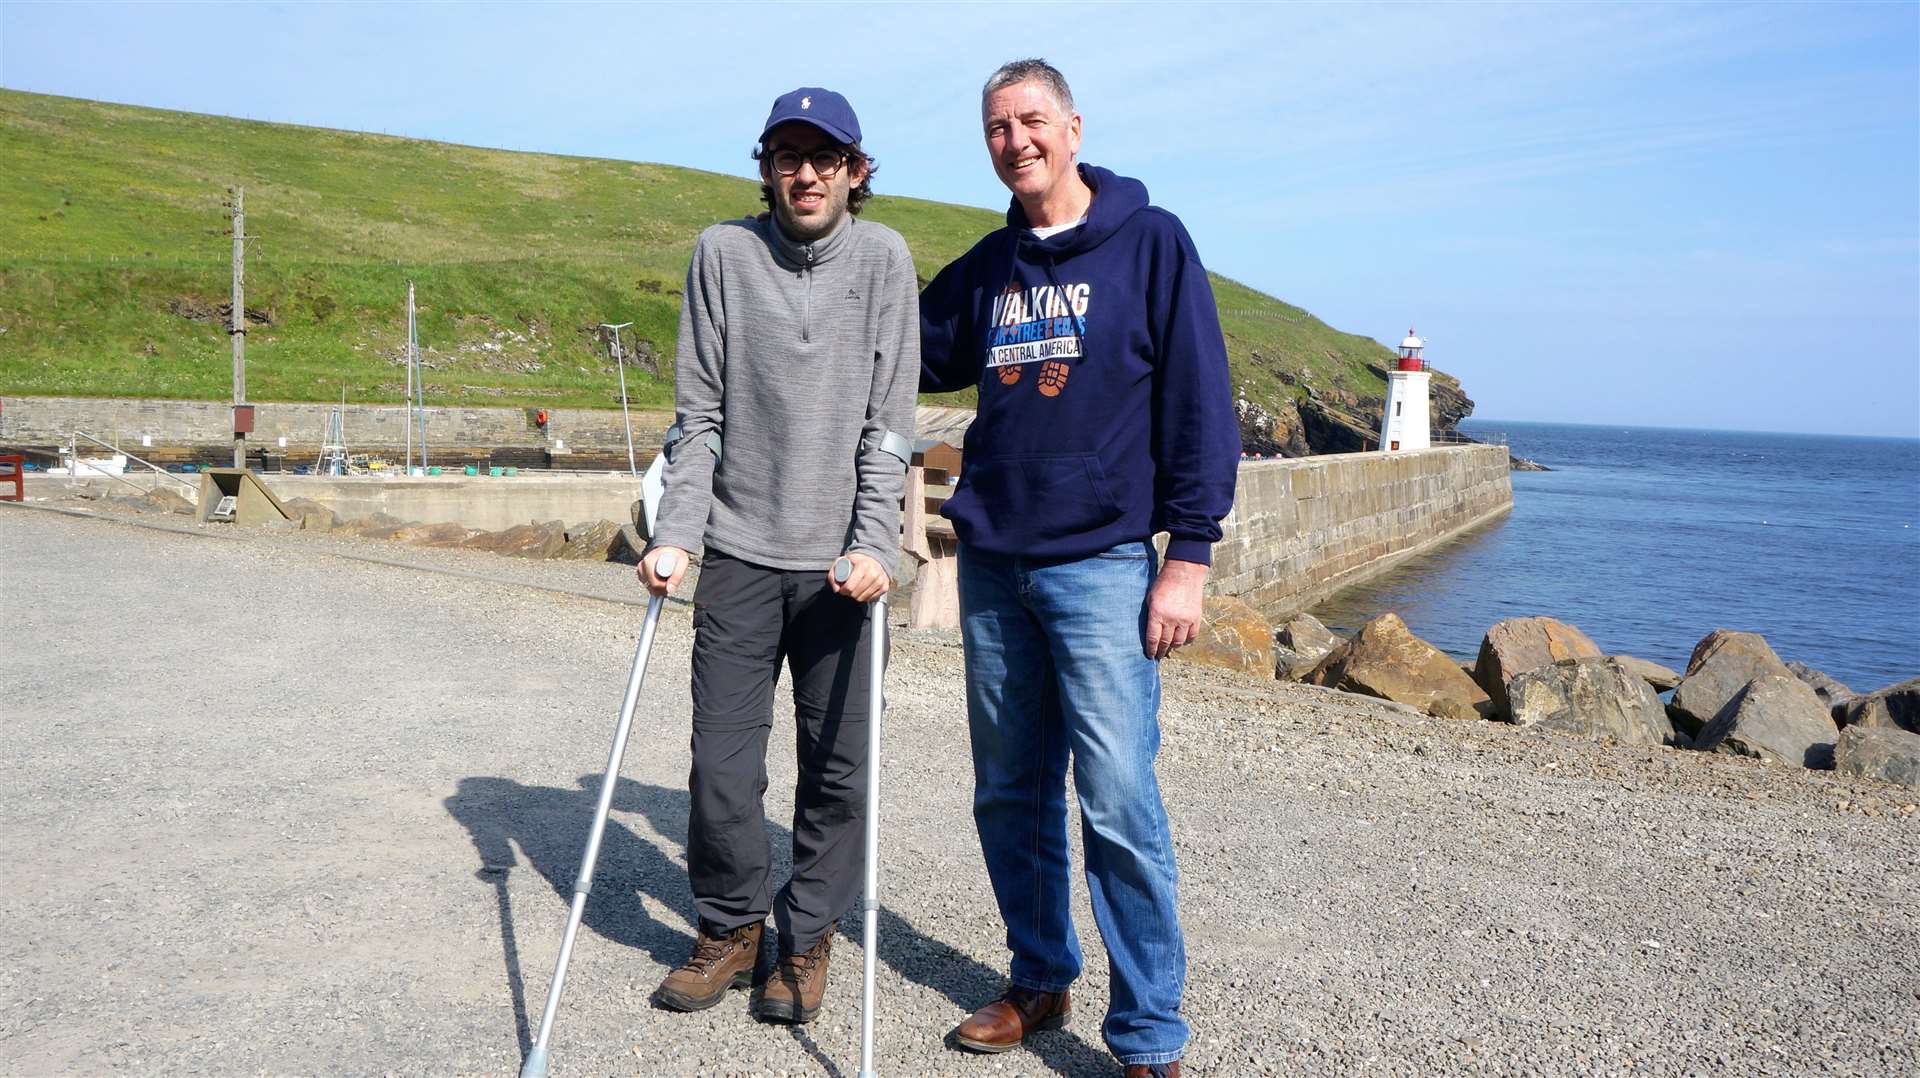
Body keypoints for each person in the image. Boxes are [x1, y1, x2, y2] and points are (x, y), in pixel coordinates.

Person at [918, 59, 1240, 1078]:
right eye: (997, 128)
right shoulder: (990, 264)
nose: (1015, 141)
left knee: (1115, 797)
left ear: (1072, 126)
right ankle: (1040, 975)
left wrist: (1186, 559)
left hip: (1103, 562)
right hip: (995, 562)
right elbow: (910, 346)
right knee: (1007, 792)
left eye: (1031, 121)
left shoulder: (1151, 243)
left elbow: (1200, 405)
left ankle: (1149, 1033)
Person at [639, 85, 918, 1025]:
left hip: (844, 567)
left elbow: (888, 431)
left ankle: (804, 940)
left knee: (837, 770)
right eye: (787, 157)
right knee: (722, 763)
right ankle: (730, 926)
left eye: (826, 158)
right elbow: (699, 418)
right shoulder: (722, 253)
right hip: (740, 550)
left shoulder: (885, 262)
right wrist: (676, 530)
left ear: (855, 171)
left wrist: (876, 543)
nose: (806, 173)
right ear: (766, 168)